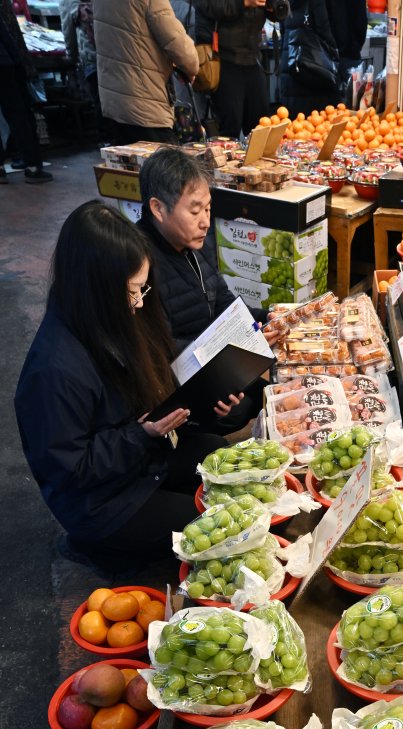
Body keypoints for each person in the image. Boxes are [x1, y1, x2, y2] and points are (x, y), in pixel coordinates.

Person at [15, 202, 242, 564]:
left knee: (219, 455)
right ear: (95, 289)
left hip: (143, 459)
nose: (138, 303)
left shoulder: (116, 316)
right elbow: (70, 469)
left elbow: (158, 382)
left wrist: (207, 398)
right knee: (212, 528)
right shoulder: (53, 370)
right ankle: (95, 548)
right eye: (131, 292)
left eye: (143, 289)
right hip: (102, 500)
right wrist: (142, 434)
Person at [137, 147, 259, 429]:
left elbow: (224, 302)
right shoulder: (139, 265)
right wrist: (220, 373)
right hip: (179, 383)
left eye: (208, 208)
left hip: (211, 361)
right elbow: (160, 351)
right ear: (158, 209)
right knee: (243, 407)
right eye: (195, 210)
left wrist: (264, 320)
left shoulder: (193, 241)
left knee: (265, 389)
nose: (205, 221)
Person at [92, 0, 199, 143]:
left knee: (126, 161)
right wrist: (191, 67)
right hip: (145, 100)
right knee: (164, 163)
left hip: (114, 101)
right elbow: (177, 43)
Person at [194, 0, 270, 138]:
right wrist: (244, 3)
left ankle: (258, 159)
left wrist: (273, 7)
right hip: (224, 60)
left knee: (260, 129)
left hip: (254, 59)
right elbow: (209, 6)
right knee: (228, 130)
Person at [0, 0, 52, 183]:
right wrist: (21, 64)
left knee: (16, 117)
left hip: (5, 64)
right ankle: (32, 166)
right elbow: (7, 36)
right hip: (5, 66)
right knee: (18, 116)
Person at [279, 0, 339, 117]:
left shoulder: (284, 3)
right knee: (315, 128)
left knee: (294, 127)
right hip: (312, 69)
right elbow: (325, 32)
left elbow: (283, 32)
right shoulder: (317, 2)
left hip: (290, 67)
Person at [58, 0, 102, 132]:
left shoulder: (67, 2)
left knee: (100, 102)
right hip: (115, 54)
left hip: (92, 58)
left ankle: (107, 141)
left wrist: (71, 57)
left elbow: (68, 31)